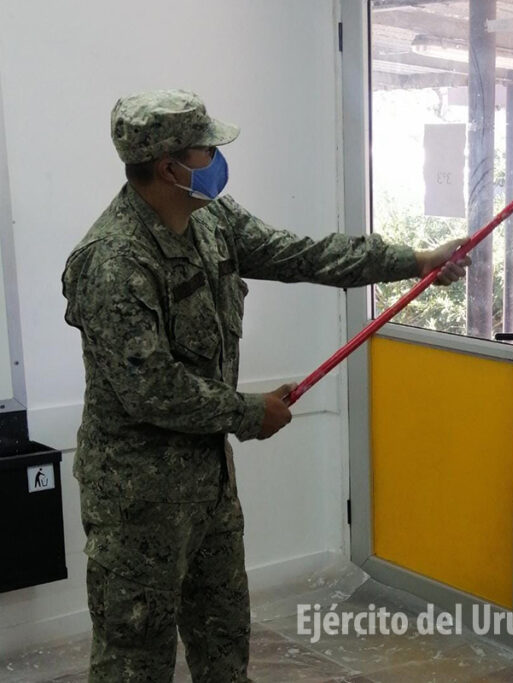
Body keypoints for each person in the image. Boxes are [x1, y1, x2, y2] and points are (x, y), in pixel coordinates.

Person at [62, 89, 470, 682]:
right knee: (136, 662)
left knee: (224, 642)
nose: (217, 160)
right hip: (137, 502)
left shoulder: (212, 221)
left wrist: (414, 259)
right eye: (206, 151)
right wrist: (249, 413)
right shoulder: (113, 261)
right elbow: (151, 389)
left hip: (209, 483)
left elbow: (301, 255)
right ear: (169, 168)